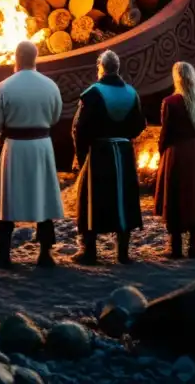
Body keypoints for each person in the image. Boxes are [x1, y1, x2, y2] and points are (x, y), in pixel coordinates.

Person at [0, 41, 64, 269]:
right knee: (43, 196)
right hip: (41, 146)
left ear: (16, 58)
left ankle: (4, 254)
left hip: (15, 146)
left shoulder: (3, 87)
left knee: (8, 199)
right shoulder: (50, 85)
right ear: (35, 58)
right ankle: (45, 254)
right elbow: (55, 117)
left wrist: (0, 134)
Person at [72, 49, 146, 265]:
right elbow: (139, 124)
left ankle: (90, 252)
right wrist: (124, 137)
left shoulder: (92, 93)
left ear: (100, 68)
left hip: (99, 153)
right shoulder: (132, 93)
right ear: (118, 68)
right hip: (123, 153)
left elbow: (80, 128)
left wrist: (81, 154)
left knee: (92, 199)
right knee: (124, 199)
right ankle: (123, 253)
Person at [153, 62, 195, 258]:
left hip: (177, 153)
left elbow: (166, 133)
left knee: (175, 196)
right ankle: (193, 246)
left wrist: (161, 151)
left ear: (177, 78)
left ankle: (175, 247)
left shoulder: (170, 102)